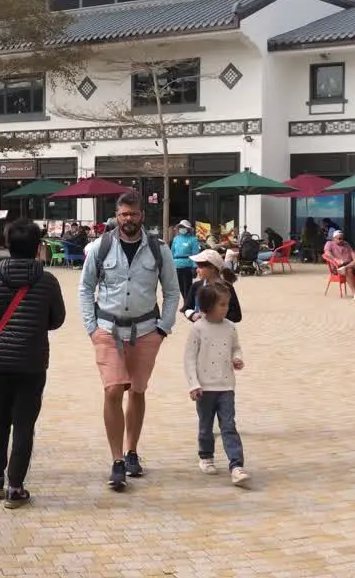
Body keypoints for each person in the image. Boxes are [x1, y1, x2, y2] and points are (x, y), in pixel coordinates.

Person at [78, 192, 181, 491]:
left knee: (136, 390)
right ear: (116, 215)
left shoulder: (159, 250)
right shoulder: (100, 247)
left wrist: (164, 328)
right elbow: (85, 289)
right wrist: (91, 327)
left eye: (133, 214)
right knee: (112, 390)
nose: (129, 219)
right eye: (124, 214)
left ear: (142, 216)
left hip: (147, 329)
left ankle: (132, 450)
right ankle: (116, 461)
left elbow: (172, 291)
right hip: (108, 330)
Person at [0, 218, 65, 509]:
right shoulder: (47, 281)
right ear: (38, 248)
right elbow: (57, 319)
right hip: (32, 362)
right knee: (24, 424)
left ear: (7, 246)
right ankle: (15, 486)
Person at [183, 282, 248, 486]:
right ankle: (206, 455)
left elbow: (236, 348)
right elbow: (189, 358)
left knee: (229, 425)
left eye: (227, 304)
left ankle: (236, 465)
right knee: (206, 426)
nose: (226, 308)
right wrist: (194, 384)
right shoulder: (198, 329)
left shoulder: (230, 327)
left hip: (226, 386)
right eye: (222, 304)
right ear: (208, 306)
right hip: (205, 388)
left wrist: (237, 358)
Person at [182, 250, 242, 323]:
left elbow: (236, 316)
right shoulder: (196, 286)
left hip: (221, 331)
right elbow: (186, 308)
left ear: (212, 268)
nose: (197, 270)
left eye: (200, 267)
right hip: (201, 331)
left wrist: (214, 317)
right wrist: (193, 316)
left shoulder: (227, 287)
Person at [323, 230, 355, 301]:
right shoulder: (329, 243)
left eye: (342, 238)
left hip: (350, 264)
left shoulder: (346, 243)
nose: (341, 240)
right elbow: (327, 252)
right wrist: (335, 259)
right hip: (338, 267)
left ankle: (346, 267)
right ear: (334, 238)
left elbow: (352, 253)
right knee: (349, 270)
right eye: (339, 238)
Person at [170, 220, 200, 298]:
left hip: (188, 265)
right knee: (180, 287)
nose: (182, 228)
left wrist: (194, 267)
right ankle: (186, 302)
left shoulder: (193, 239)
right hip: (176, 265)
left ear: (188, 229)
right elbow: (172, 252)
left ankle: (188, 304)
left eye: (184, 227)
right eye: (180, 227)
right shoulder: (176, 239)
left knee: (187, 287)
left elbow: (195, 254)